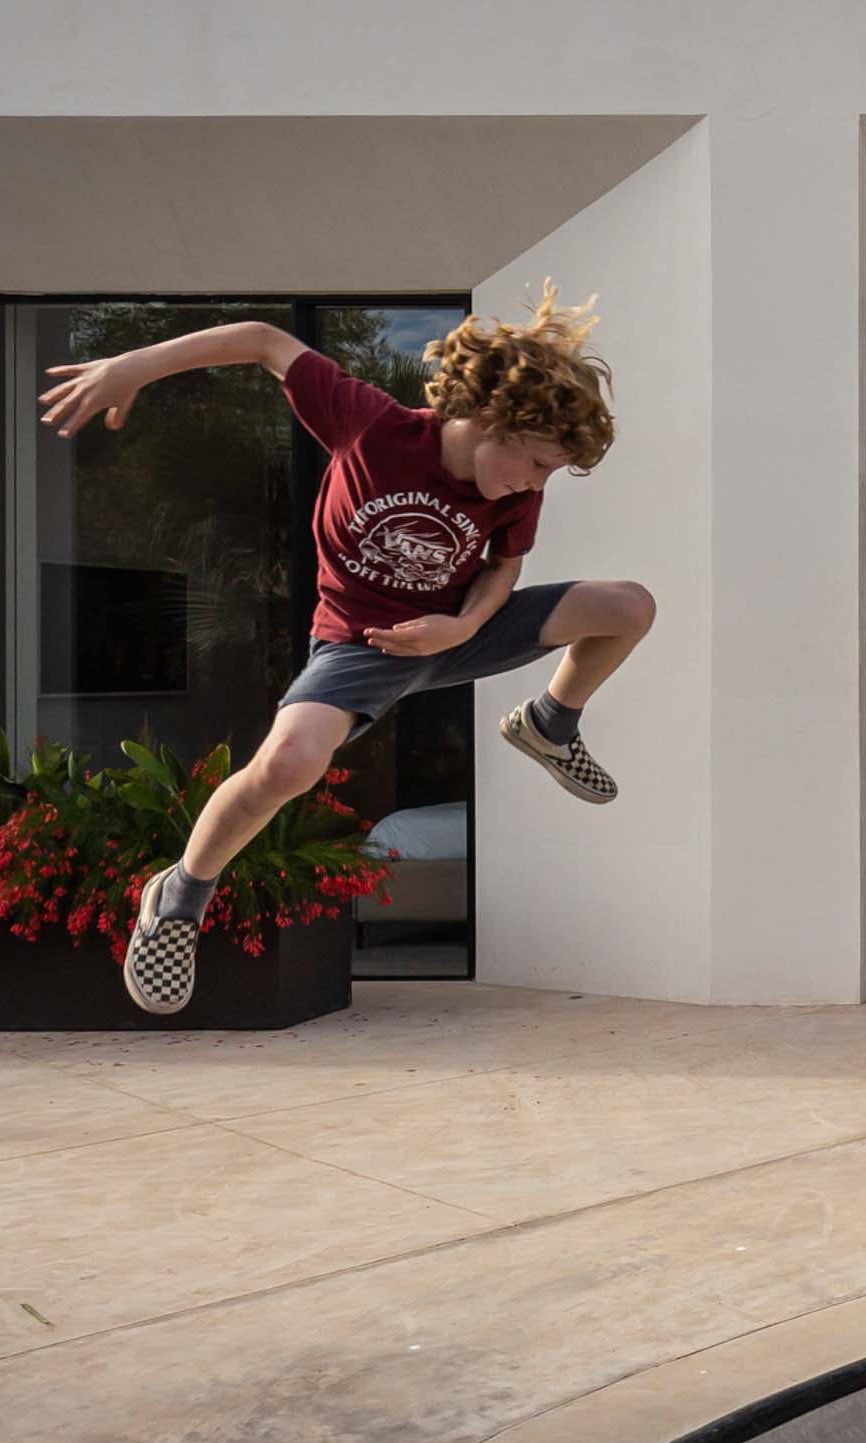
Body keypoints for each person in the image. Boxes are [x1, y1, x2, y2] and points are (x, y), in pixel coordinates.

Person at [36, 285, 657, 1015]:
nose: (537, 482)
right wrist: (137, 365)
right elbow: (266, 341)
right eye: (539, 464)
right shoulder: (372, 427)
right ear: (493, 418)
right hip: (359, 646)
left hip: (457, 628)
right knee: (288, 765)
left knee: (627, 606)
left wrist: (460, 627)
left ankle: (550, 721)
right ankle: (179, 896)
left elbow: (502, 567)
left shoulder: (513, 491)